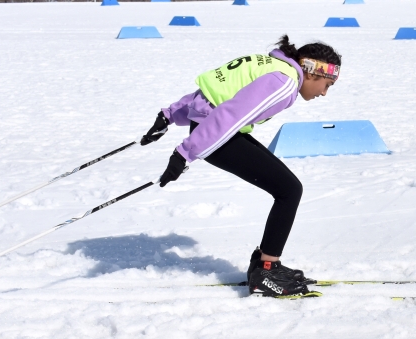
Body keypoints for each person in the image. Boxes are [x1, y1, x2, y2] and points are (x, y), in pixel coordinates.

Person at [140, 35, 341, 297]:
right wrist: (184, 154)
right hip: (215, 134)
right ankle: (266, 270)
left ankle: (266, 264)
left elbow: (211, 94)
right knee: (289, 191)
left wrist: (170, 115)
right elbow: (229, 115)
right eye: (327, 85)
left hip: (211, 130)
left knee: (288, 188)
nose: (324, 93)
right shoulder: (285, 82)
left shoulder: (273, 66)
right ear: (312, 72)